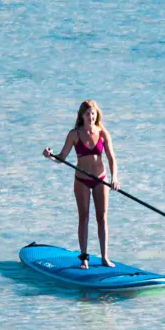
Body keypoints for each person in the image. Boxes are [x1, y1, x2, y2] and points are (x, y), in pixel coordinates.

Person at [42, 99, 118, 268]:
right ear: (82, 116)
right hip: (81, 180)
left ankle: (105, 257)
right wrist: (50, 155)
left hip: (101, 179)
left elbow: (111, 158)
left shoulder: (103, 133)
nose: (91, 117)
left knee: (102, 218)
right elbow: (62, 158)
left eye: (93, 113)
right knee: (83, 217)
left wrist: (114, 178)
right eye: (88, 114)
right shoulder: (74, 134)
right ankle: (84, 258)